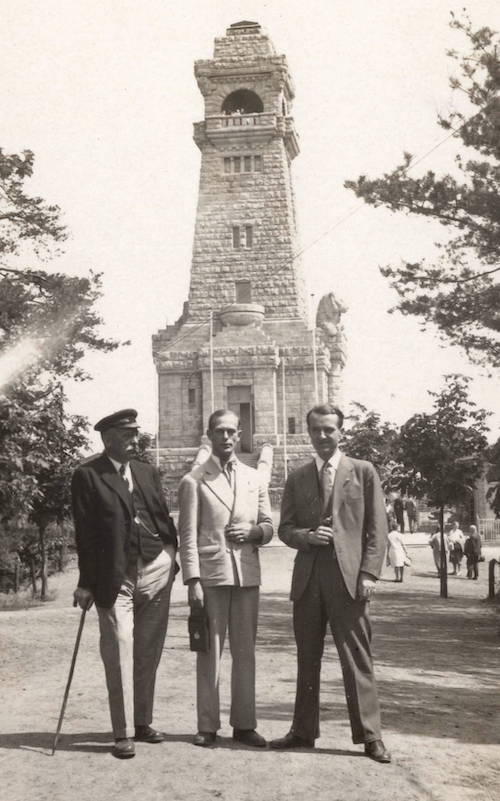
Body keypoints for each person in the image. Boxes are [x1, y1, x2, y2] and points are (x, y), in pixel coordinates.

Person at [269, 403, 390, 763]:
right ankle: (303, 731)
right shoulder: (298, 476)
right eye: (316, 430)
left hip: (349, 581)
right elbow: (285, 529)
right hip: (308, 582)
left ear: (341, 432)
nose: (322, 436)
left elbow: (377, 529)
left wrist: (369, 573)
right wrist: (307, 536)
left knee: (357, 658)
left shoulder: (363, 472)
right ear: (308, 433)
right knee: (307, 659)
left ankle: (371, 736)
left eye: (329, 430)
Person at [72, 409, 178, 759]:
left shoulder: (147, 472)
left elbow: (162, 517)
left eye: (136, 432)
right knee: (119, 650)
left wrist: (169, 556)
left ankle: (142, 723)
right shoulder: (88, 475)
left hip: (156, 570)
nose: (136, 439)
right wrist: (86, 583)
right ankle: (122, 733)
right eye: (127, 434)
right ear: (108, 439)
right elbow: (85, 534)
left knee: (148, 650)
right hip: (115, 578)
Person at [178, 409, 273, 748]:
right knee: (210, 653)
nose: (227, 438)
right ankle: (208, 725)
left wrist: (255, 531)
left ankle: (244, 725)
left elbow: (269, 525)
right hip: (212, 575)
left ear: (240, 433)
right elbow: (187, 537)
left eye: (232, 431)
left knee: (245, 653)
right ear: (209, 434)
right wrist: (193, 581)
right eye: (220, 431)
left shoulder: (254, 478)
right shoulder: (194, 480)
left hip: (247, 575)